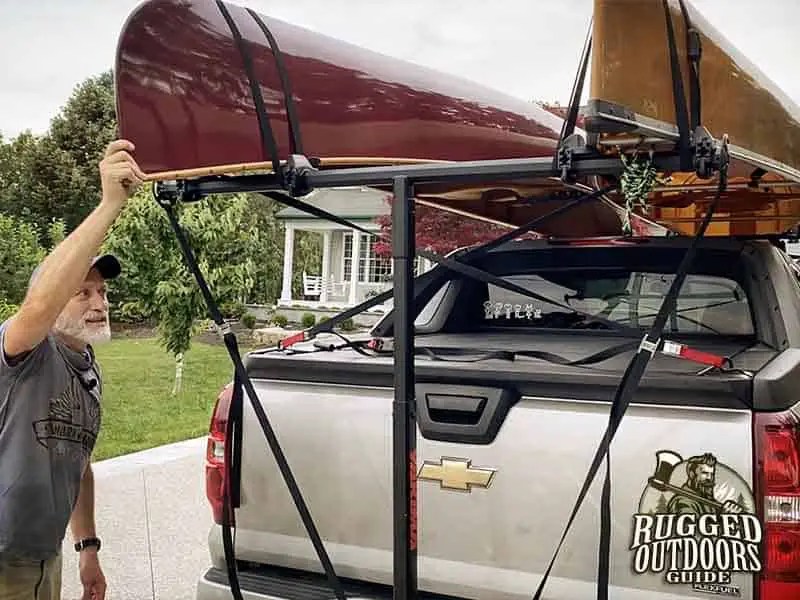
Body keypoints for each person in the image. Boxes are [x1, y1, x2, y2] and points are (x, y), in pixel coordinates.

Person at [0, 139, 145, 599]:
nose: (99, 302)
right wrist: (109, 205)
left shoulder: (86, 366)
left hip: (45, 557)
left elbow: (78, 463)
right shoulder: (25, 349)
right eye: (82, 292)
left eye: (101, 292)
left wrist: (87, 548)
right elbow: (39, 303)